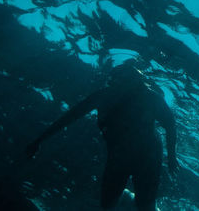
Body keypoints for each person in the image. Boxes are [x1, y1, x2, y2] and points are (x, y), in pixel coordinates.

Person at [26, 62, 177, 210]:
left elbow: (170, 124)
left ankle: (127, 199)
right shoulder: (109, 97)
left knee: (141, 204)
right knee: (113, 203)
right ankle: (127, 198)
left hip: (144, 158)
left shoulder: (147, 98)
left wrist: (171, 157)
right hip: (125, 157)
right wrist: (39, 140)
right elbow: (70, 117)